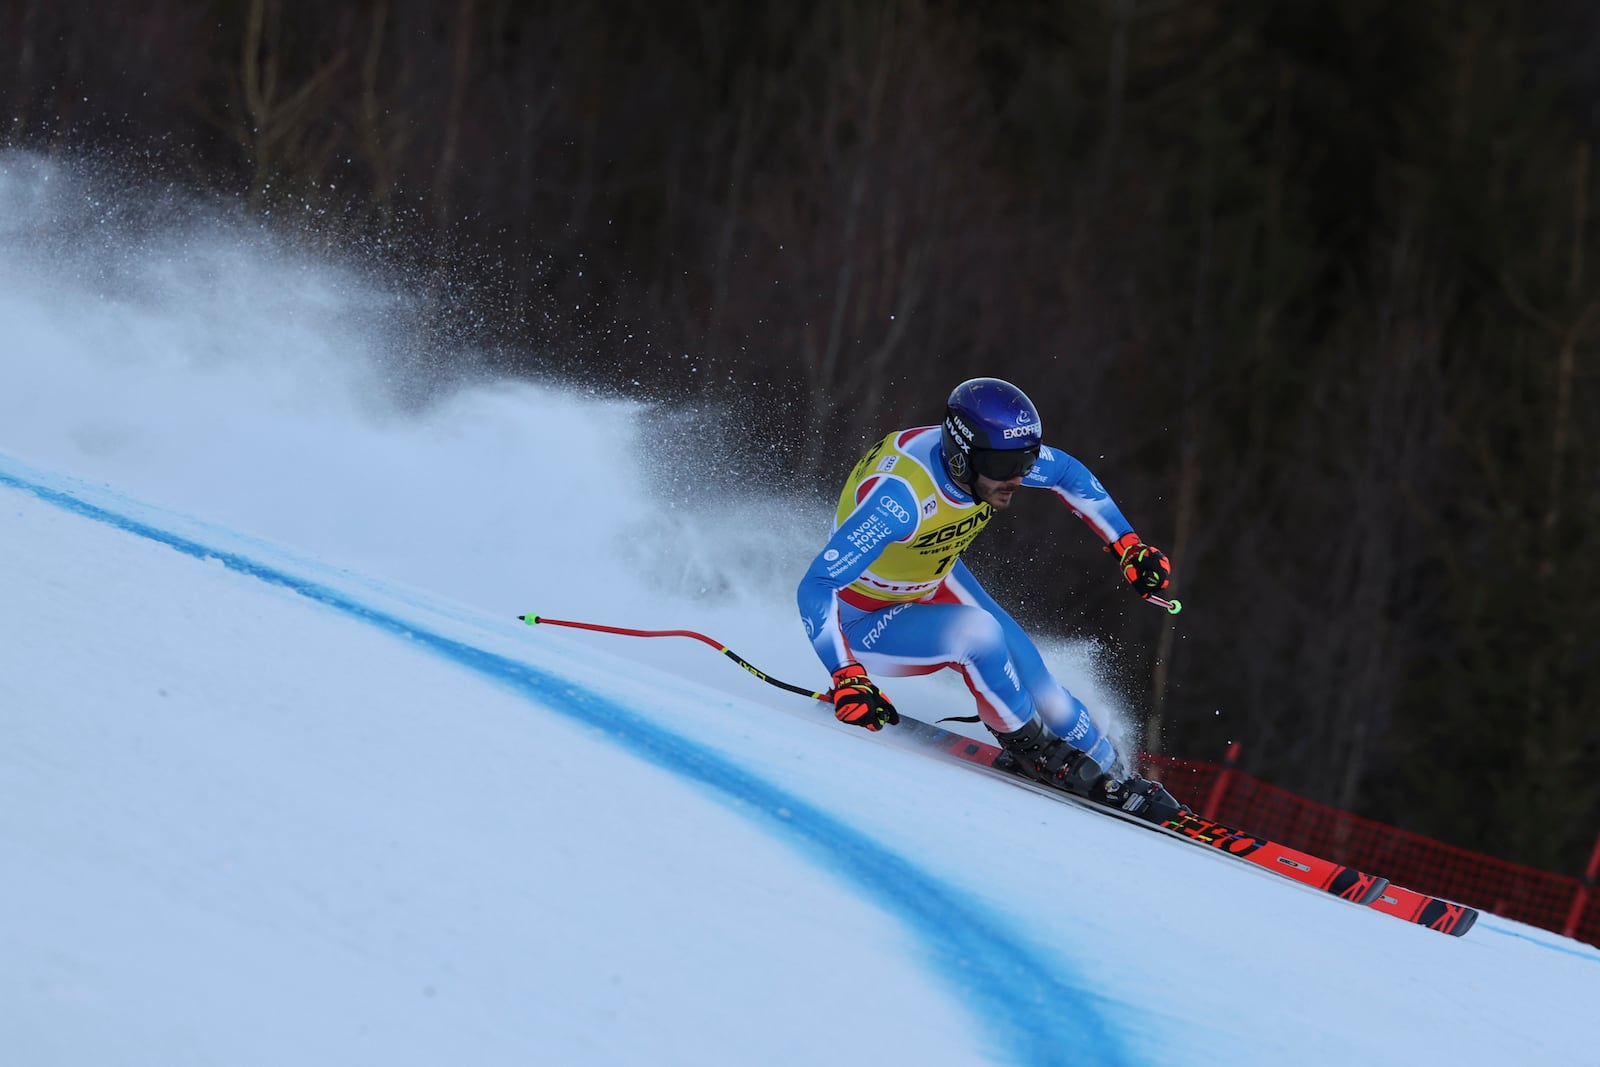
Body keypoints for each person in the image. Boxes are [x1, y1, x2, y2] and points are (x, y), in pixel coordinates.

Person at [796, 377, 1181, 820]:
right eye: (1004, 466)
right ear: (961, 457)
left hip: (932, 577)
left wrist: (1128, 545)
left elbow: (1068, 473)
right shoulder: (899, 500)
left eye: (1026, 460)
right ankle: (1031, 749)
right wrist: (846, 674)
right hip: (863, 619)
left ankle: (1115, 771)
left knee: (1046, 691)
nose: (1016, 477)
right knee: (979, 636)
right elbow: (817, 584)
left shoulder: (992, 458)